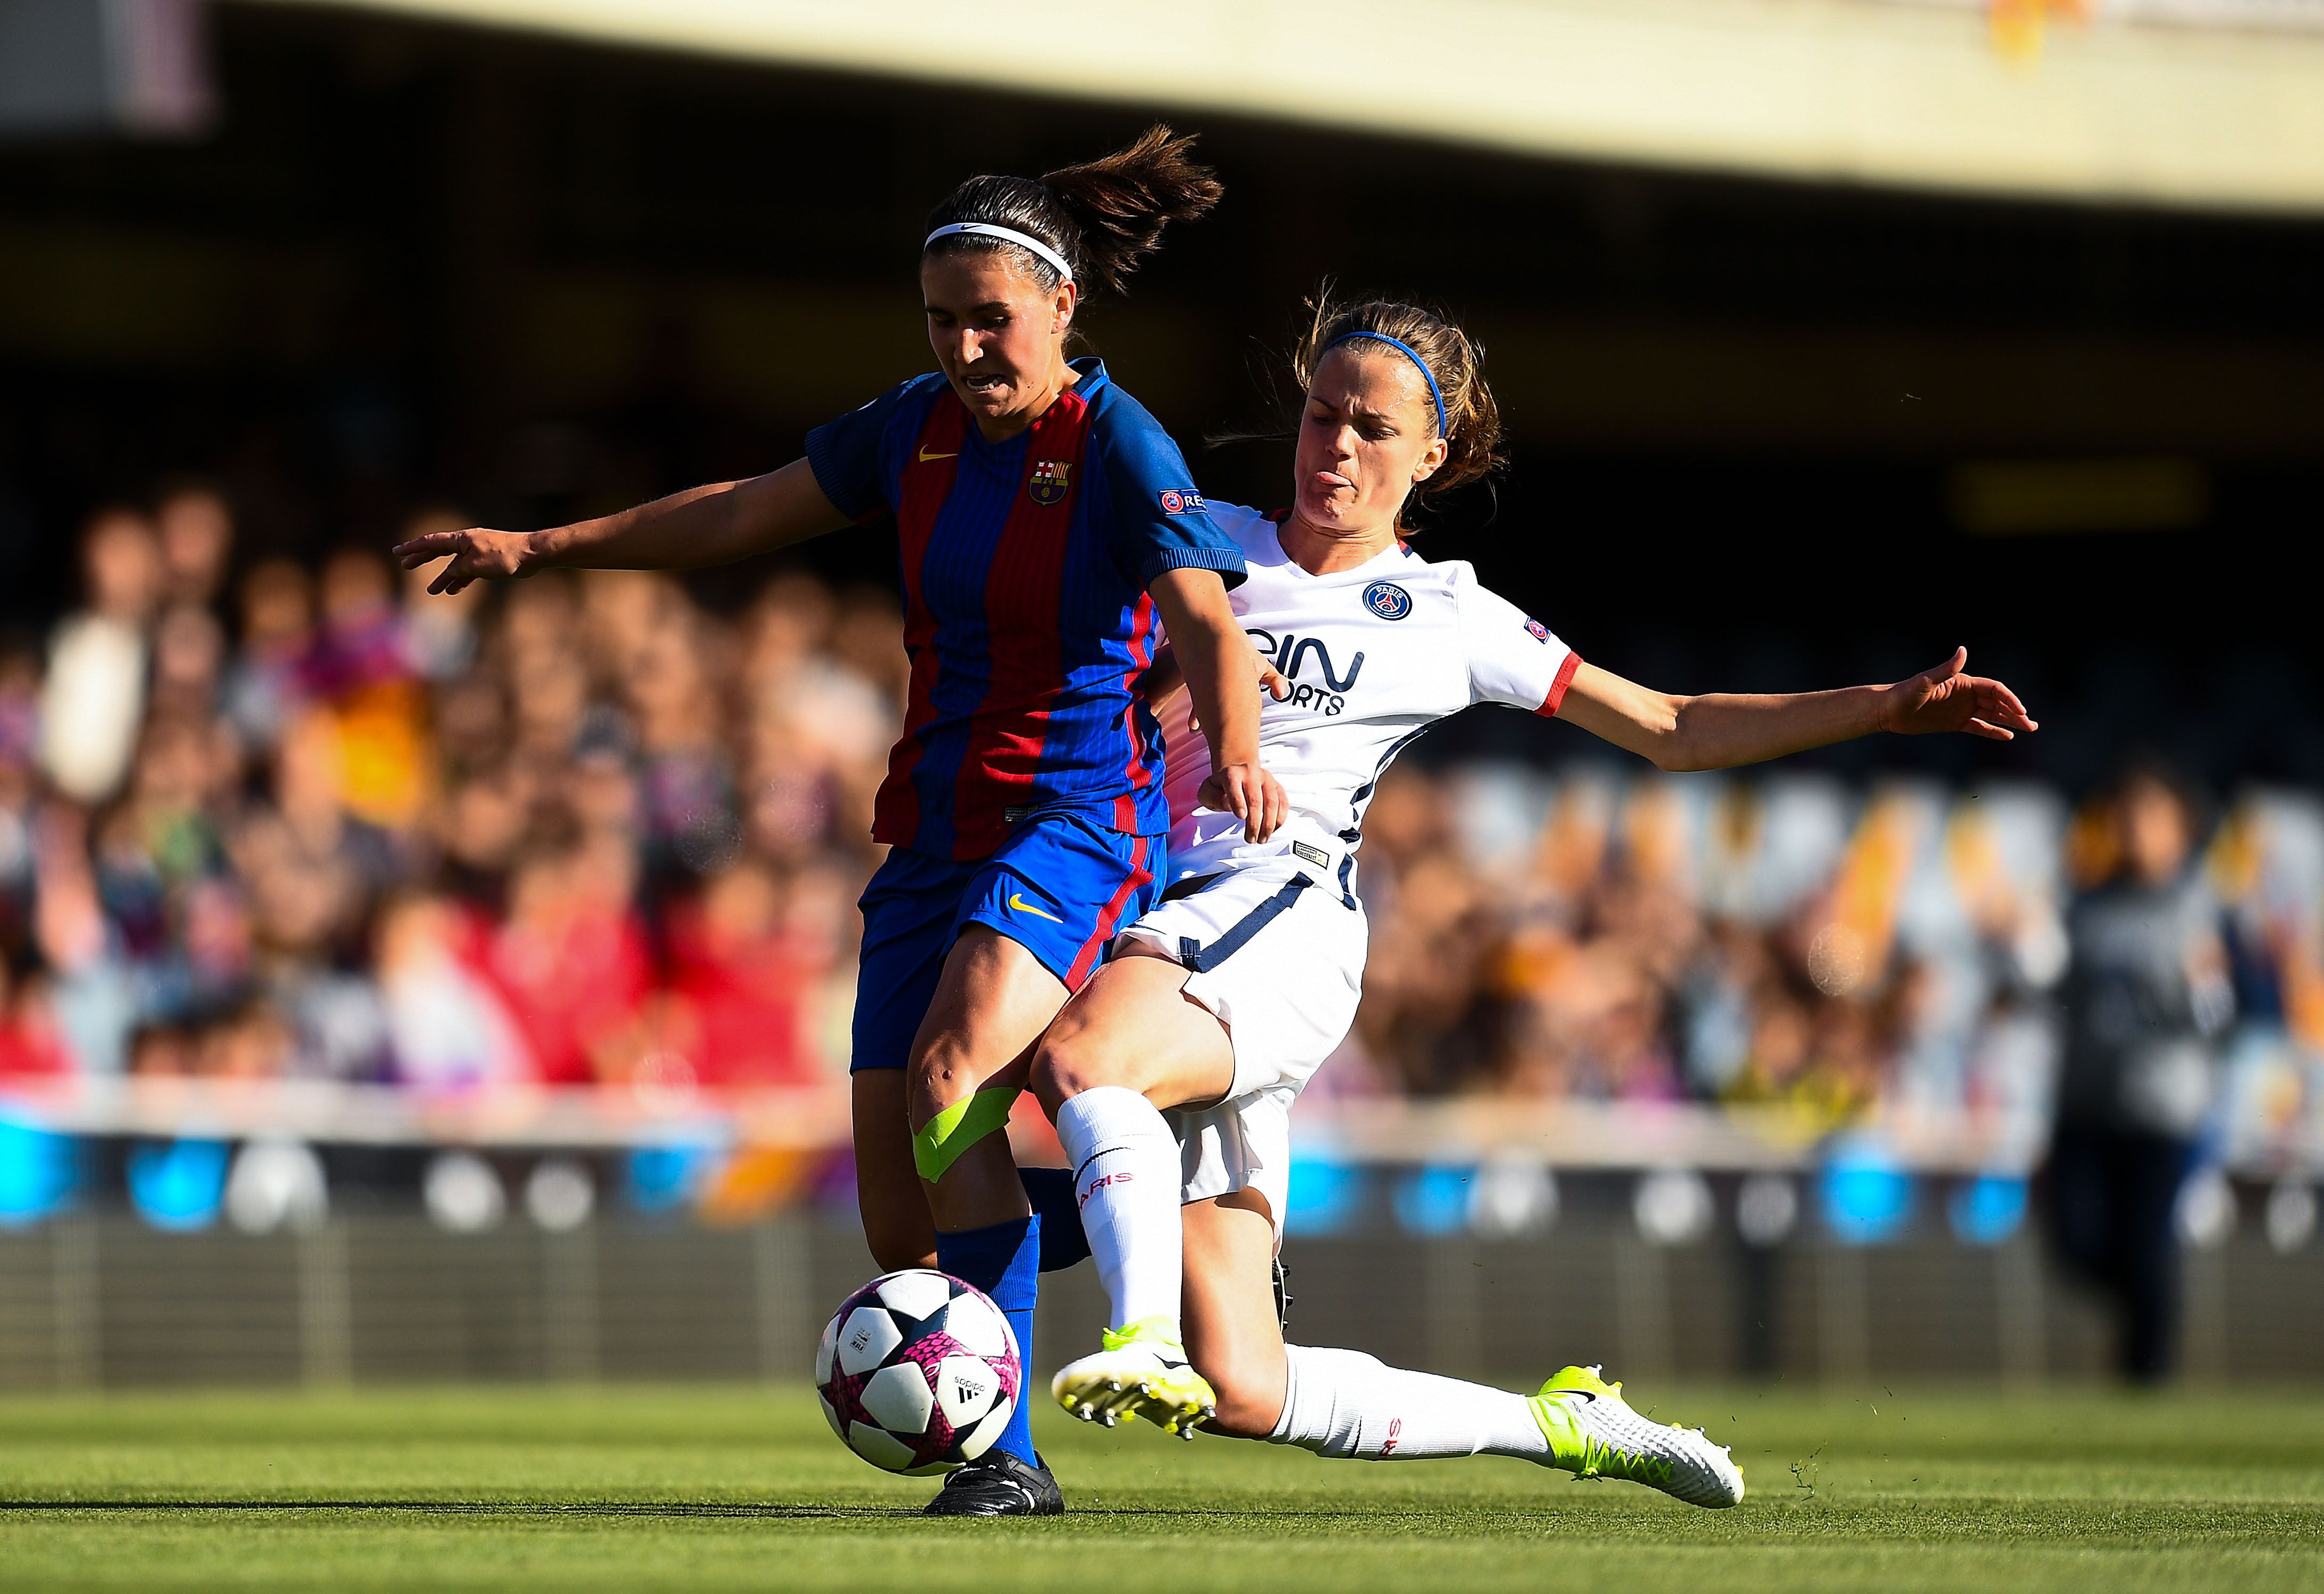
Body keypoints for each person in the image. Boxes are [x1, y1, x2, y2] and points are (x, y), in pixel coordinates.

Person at [397, 126, 1284, 1516]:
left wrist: (1231, 743)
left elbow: (1204, 617)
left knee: (950, 1085)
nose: (966, 348)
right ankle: (1068, 1226)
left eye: (990, 319)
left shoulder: (1115, 442)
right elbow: (738, 515)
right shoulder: (910, 429)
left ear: (1061, 306)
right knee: (900, 1215)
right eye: (942, 321)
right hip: (926, 834)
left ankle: (1004, 1468)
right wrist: (539, 548)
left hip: (1070, 821)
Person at [1027, 295, 2038, 1507]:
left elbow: (1664, 726)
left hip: (1271, 913)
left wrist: (1878, 706)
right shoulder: (1204, 541)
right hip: (1171, 920)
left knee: (1085, 1057)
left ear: (1429, 454)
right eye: (1316, 414)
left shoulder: (1445, 613)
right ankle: (1560, 1421)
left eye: (1369, 426)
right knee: (1243, 1381)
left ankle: (1131, 1332)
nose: (1333, 445)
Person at [2046, 762, 2230, 1383]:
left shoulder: (2198, 907)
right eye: (2122, 814)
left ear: (2181, 829)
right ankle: (2141, 1323)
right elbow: (2056, 992)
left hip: (2162, 1111)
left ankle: (2145, 1378)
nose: (2130, 829)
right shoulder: (2087, 903)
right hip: (2086, 1106)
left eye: (2147, 816)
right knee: (2076, 1246)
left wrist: (2196, 985)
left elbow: (2219, 1015)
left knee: (2147, 1250)